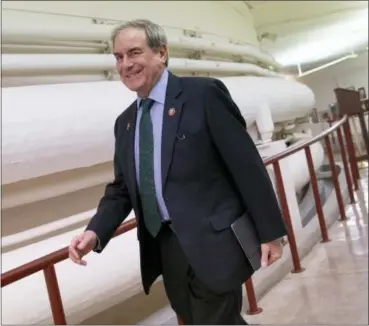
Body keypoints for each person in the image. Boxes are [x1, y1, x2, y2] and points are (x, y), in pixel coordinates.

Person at [68, 19, 287, 325]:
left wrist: (270, 232)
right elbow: (122, 189)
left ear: (161, 53)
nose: (126, 64)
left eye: (134, 53)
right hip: (167, 246)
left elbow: (246, 165)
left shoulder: (204, 95)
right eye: (119, 57)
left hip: (214, 241)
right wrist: (95, 232)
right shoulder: (125, 123)